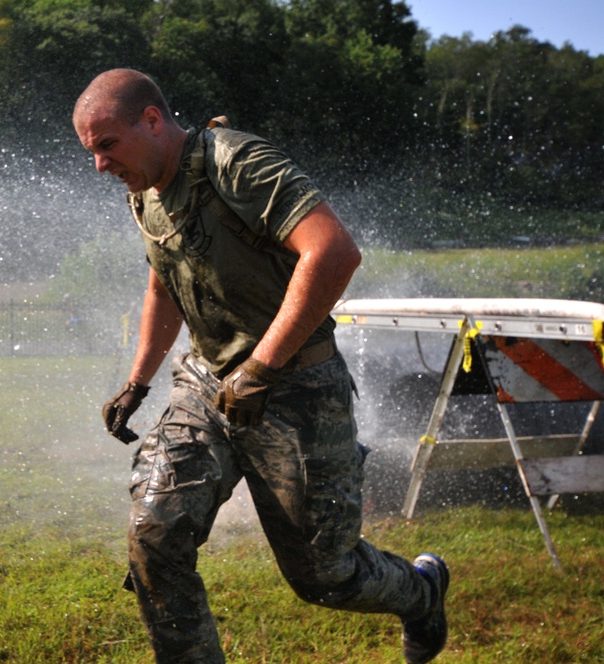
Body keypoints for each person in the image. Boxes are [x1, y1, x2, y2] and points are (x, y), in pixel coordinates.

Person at [72, 68, 449, 664]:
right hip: (207, 384)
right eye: (90, 152)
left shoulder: (235, 161)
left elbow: (333, 251)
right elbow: (163, 288)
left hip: (296, 387)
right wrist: (137, 381)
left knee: (326, 577)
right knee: (155, 534)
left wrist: (262, 367)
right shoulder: (143, 188)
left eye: (106, 145)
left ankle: (422, 592)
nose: (99, 165)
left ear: (151, 120)